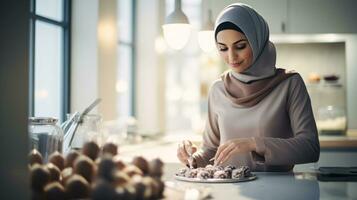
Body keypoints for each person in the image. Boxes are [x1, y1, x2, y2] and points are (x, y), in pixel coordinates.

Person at [177, 3, 320, 171]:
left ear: (257, 40)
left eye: (240, 46)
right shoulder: (218, 89)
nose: (231, 57)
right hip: (228, 192)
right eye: (222, 48)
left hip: (277, 191)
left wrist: (254, 143)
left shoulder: (290, 84)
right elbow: (211, 150)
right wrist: (191, 158)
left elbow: (310, 148)